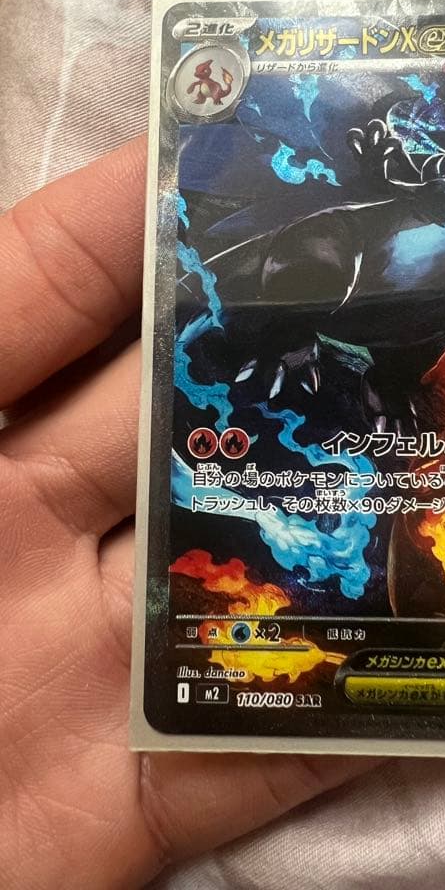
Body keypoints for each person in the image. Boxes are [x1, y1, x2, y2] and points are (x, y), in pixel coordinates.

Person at [0, 137, 373, 888]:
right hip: (212, 582)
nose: (326, 276)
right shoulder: (199, 355)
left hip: (322, 600)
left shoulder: (347, 369)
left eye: (338, 258)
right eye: (303, 255)